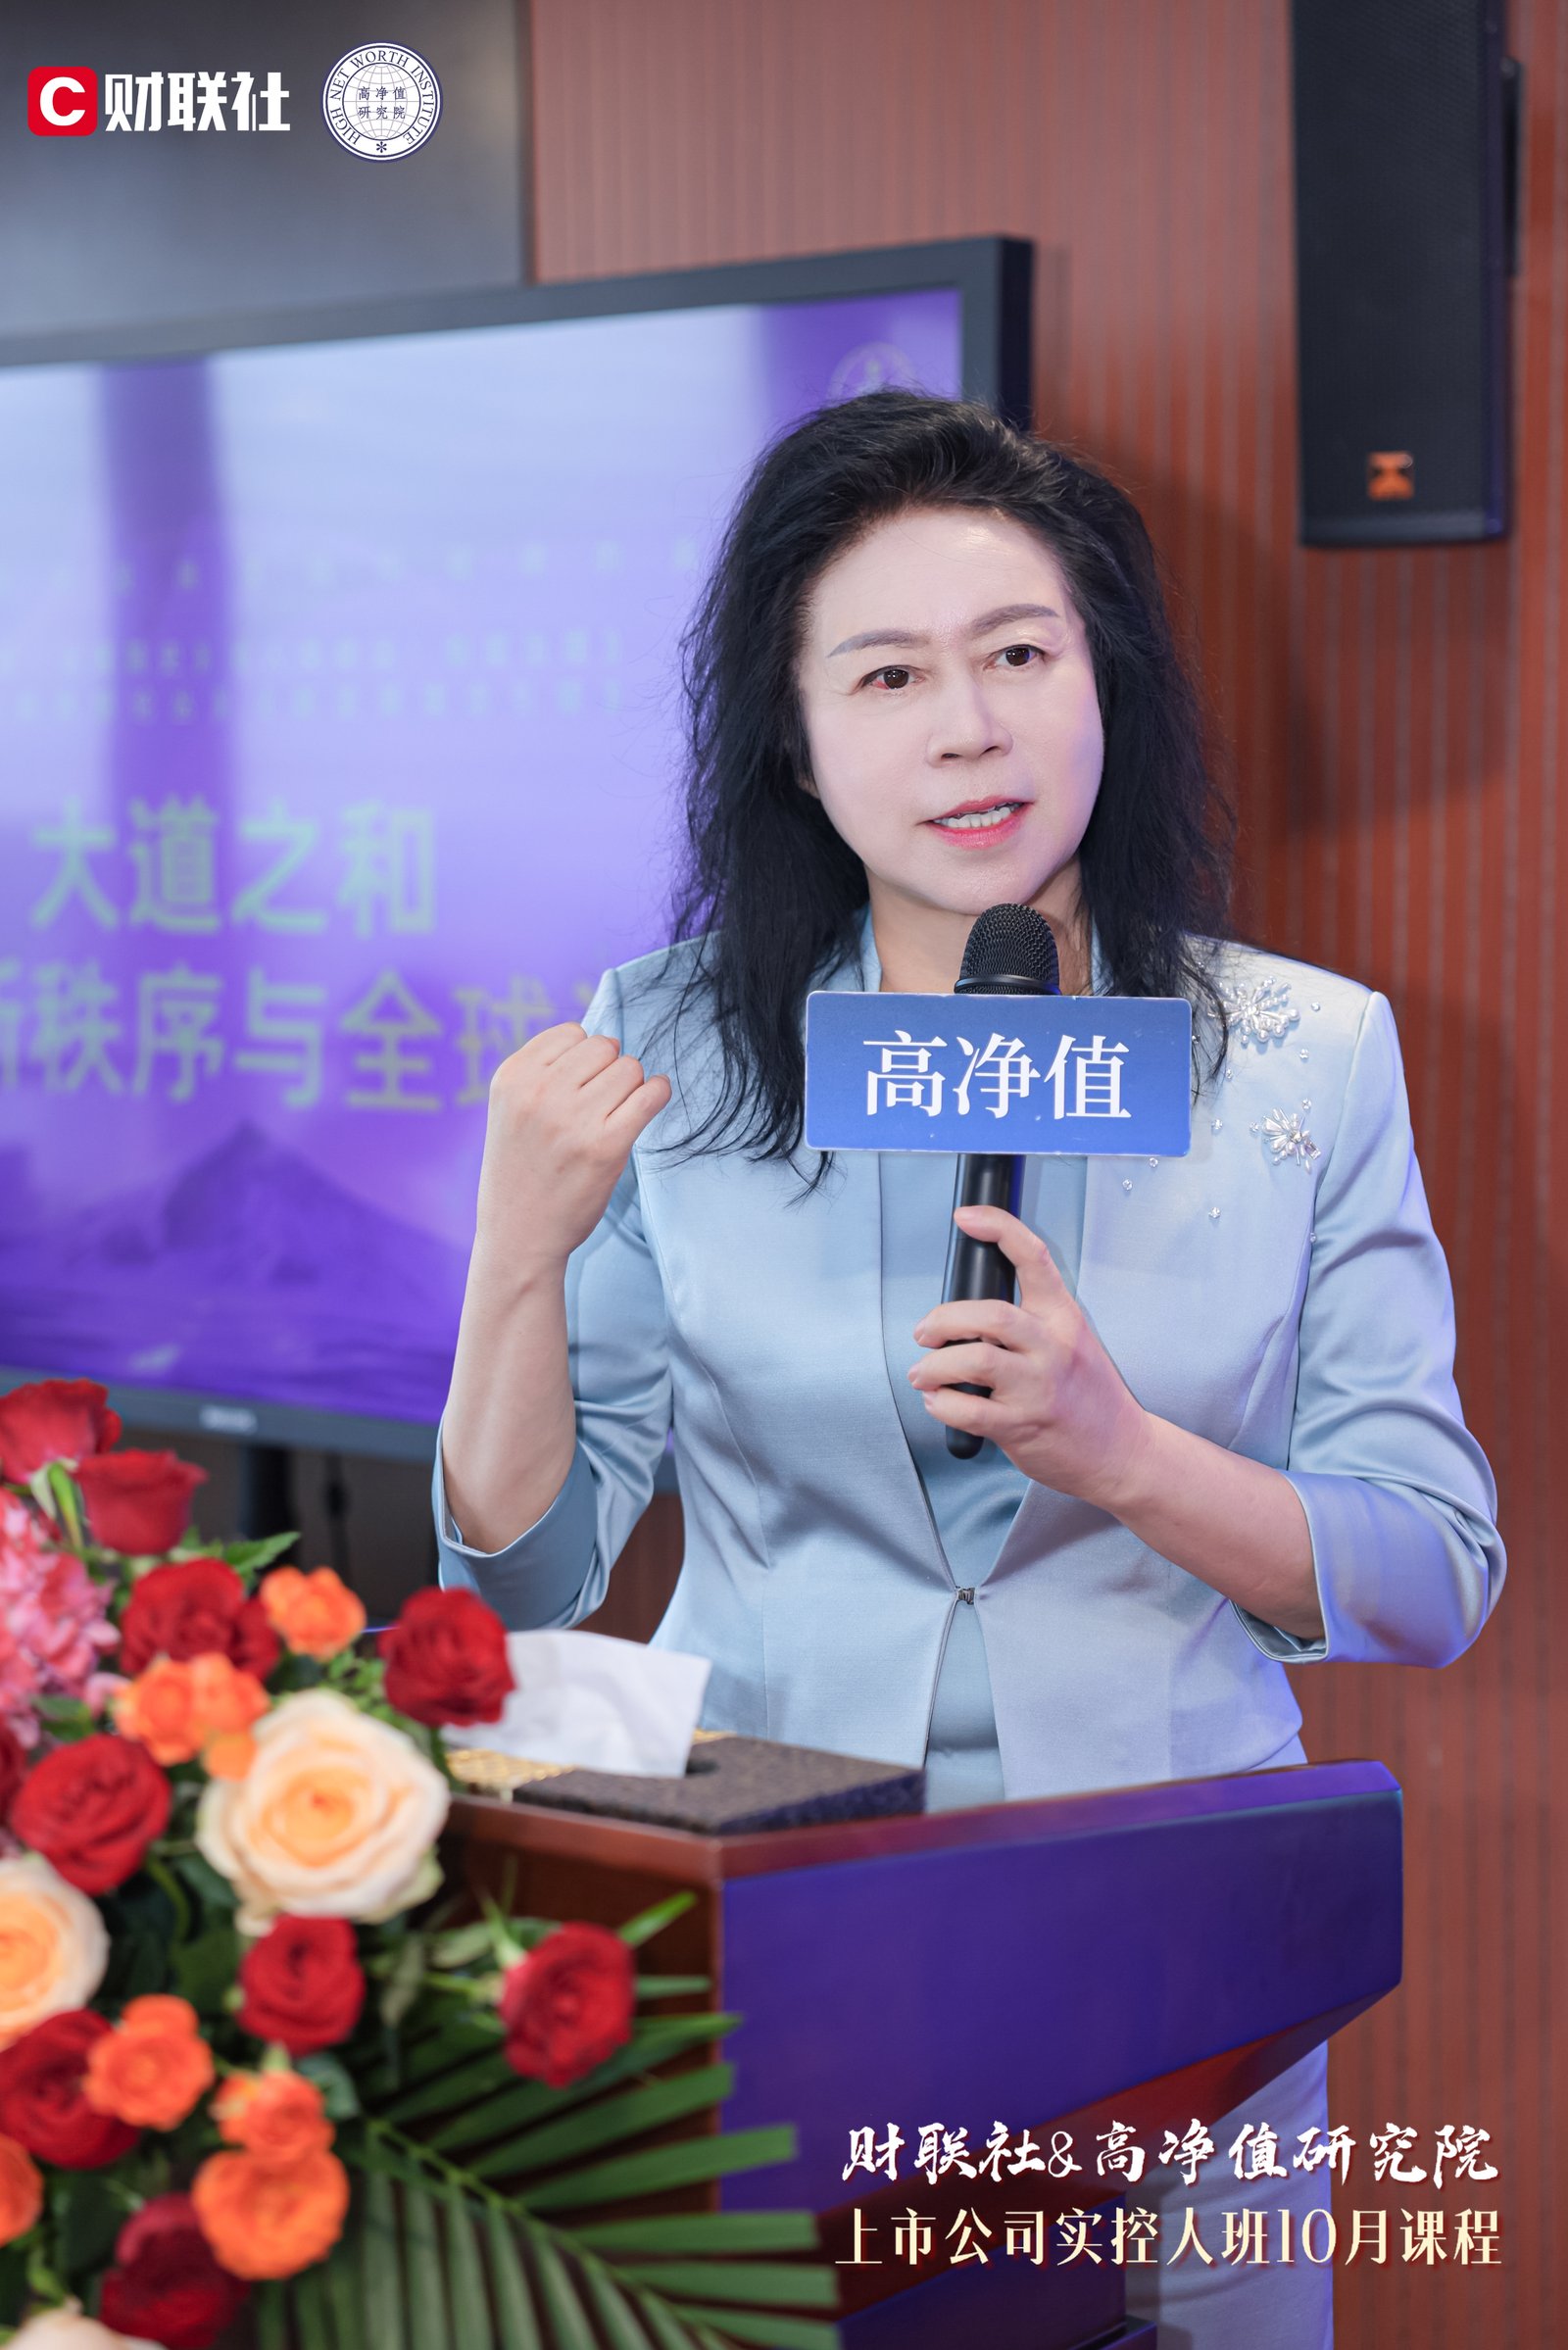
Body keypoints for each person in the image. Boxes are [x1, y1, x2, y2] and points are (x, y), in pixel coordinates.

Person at [433, 391, 1504, 2348]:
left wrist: (1121, 1450)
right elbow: (524, 1573)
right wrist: (512, 1255)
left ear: (1107, 681)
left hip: (1185, 1953)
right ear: (793, 733)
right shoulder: (669, 1041)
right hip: (783, 1915)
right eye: (889, 674)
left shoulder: (1304, 1054)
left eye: (1019, 654)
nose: (969, 728)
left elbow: (1432, 1568)